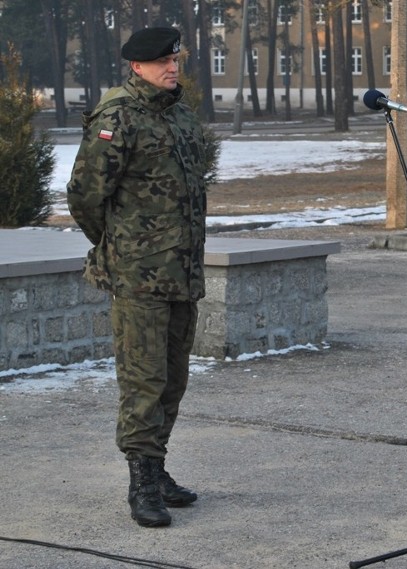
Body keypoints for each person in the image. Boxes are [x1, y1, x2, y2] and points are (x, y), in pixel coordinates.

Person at [67, 27, 208, 526]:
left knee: (172, 379)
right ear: (137, 66)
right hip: (140, 278)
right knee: (144, 382)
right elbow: (85, 195)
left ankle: (158, 466)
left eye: (176, 59)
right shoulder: (118, 116)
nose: (173, 67)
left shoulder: (180, 115)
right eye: (164, 61)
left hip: (184, 273)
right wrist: (121, 247)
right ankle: (141, 482)